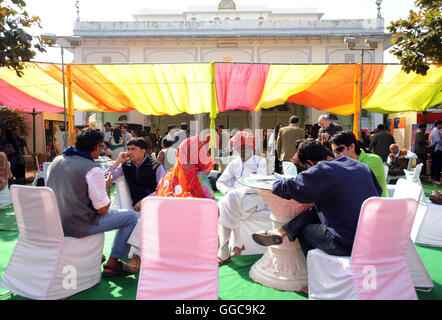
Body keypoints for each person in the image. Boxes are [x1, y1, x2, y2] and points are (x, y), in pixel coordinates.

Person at [252, 139, 382, 294]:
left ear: (309, 162)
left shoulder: (321, 171)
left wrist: (276, 182)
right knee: (317, 210)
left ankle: (315, 283)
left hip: (347, 242)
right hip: (374, 237)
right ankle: (283, 230)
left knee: (305, 230)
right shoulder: (361, 166)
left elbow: (285, 188)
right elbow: (377, 192)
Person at [46, 127, 139, 277]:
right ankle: (112, 264)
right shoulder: (91, 169)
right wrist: (107, 187)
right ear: (96, 147)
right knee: (131, 216)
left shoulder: (57, 160)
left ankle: (93, 255)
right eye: (101, 146)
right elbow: (102, 210)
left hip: (55, 222)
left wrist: (113, 167)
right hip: (79, 225)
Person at [106, 137, 166, 270]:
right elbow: (106, 179)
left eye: (133, 149)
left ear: (143, 151)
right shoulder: (126, 166)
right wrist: (116, 163)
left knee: (146, 217)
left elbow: (163, 188)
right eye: (128, 149)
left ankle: (138, 257)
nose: (129, 152)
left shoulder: (156, 166)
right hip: (135, 207)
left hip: (155, 204)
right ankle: (133, 256)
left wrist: (145, 201)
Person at [216, 131, 269, 265]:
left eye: (246, 148)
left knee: (225, 203)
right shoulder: (234, 163)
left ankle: (228, 249)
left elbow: (259, 185)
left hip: (255, 198)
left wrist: (237, 191)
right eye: (240, 148)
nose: (243, 151)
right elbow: (219, 182)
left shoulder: (260, 162)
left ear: (252, 148)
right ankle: (234, 245)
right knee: (225, 201)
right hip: (236, 201)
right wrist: (228, 190)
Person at [330, 131, 388, 197]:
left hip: (377, 205)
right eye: (334, 152)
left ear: (351, 147)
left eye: (339, 150)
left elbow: (357, 185)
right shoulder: (341, 165)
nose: (336, 155)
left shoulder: (373, 160)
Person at [430, 119, 442, 184]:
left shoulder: (436, 130)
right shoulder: (436, 131)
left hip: (437, 149)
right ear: (438, 124)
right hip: (437, 149)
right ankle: (435, 177)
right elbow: (438, 140)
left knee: (435, 163)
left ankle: (434, 177)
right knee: (437, 164)